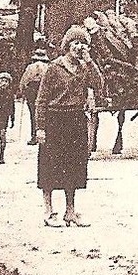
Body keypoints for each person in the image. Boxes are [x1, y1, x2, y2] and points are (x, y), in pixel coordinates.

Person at [35, 27, 93, 228]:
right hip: (55, 119)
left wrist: (90, 62)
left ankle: (70, 211)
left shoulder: (85, 68)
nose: (79, 47)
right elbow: (41, 99)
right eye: (75, 43)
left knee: (74, 167)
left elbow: (100, 84)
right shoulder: (54, 68)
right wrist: (40, 127)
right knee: (50, 166)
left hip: (76, 119)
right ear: (67, 46)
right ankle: (49, 211)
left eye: (83, 43)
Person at [18, 48, 51, 145]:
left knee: (33, 114)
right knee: (44, 114)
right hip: (43, 91)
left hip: (31, 92)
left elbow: (24, 81)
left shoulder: (30, 67)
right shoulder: (48, 67)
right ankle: (45, 135)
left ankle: (34, 136)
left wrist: (22, 91)